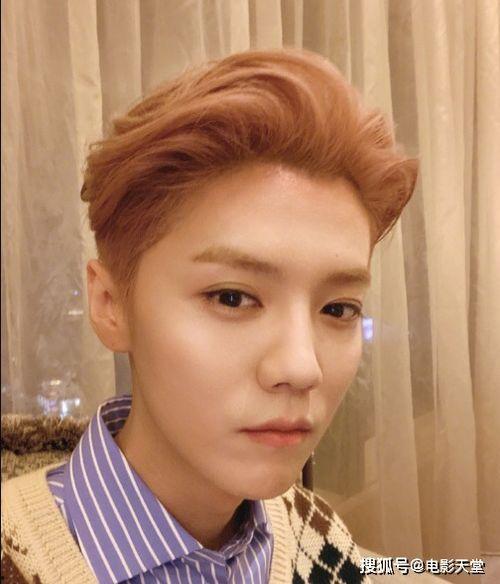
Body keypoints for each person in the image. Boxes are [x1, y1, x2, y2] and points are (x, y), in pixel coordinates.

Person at [1, 47, 417, 584]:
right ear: (110, 305)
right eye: (231, 298)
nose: (302, 367)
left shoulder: (314, 536)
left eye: (338, 308)